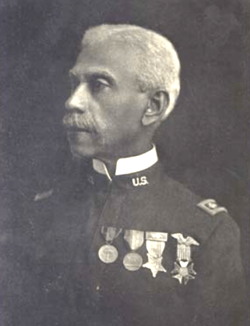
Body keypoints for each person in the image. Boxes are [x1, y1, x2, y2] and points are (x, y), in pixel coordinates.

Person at [17, 24, 245, 326]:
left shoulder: (208, 229)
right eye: (74, 84)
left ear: (153, 106)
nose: (72, 101)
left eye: (98, 84)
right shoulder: (38, 213)